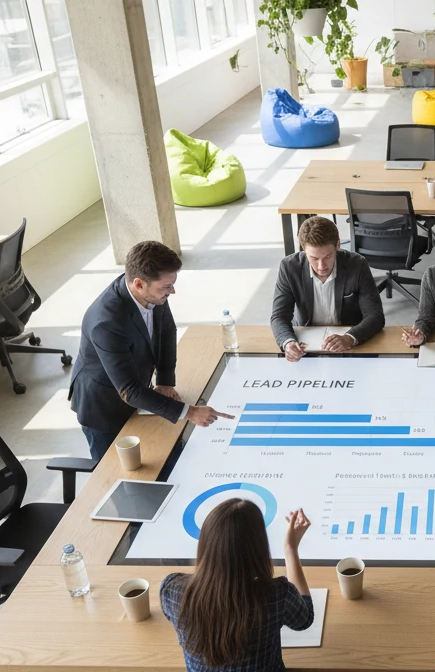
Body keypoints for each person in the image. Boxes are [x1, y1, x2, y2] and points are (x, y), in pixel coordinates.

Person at [70, 241, 230, 461]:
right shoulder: (106, 322)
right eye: (166, 287)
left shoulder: (151, 293)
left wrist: (164, 380)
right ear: (139, 284)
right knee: (115, 473)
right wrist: (189, 412)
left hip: (136, 389)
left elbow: (167, 331)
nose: (172, 291)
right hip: (104, 408)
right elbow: (130, 391)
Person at [161, 499, 313, 672]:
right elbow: (304, 619)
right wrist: (290, 549)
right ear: (258, 548)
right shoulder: (277, 595)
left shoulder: (171, 590)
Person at [270, 216, 385, 362]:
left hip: (349, 345)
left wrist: (350, 338)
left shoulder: (357, 265)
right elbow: (279, 316)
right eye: (314, 258)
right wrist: (288, 342)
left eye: (328, 256)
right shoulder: (289, 267)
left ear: (338, 245)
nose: (321, 266)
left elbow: (375, 316)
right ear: (303, 249)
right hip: (306, 346)